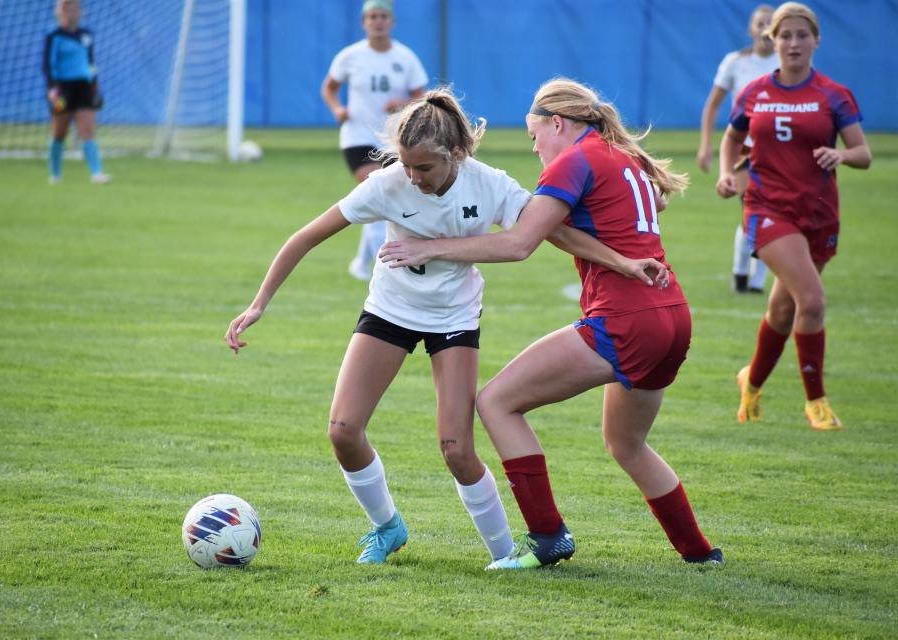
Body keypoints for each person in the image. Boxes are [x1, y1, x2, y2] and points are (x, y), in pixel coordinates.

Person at [225, 88, 665, 567]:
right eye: (406, 166)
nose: (413, 178)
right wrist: (258, 304)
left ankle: (503, 554)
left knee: (456, 448)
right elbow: (305, 237)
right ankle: (387, 527)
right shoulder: (387, 183)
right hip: (390, 310)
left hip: (454, 319)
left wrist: (621, 262)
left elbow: (553, 230)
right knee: (343, 430)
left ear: (456, 153)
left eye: (424, 168)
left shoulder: (489, 184)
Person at [379, 78, 723, 569]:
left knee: (496, 401)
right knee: (626, 443)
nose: (535, 146)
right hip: (671, 315)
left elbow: (520, 243)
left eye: (534, 135)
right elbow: (625, 213)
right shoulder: (624, 157)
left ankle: (547, 535)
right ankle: (699, 553)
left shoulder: (575, 159)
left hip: (625, 318)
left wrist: (427, 247)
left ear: (557, 123)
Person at [716, 2, 871, 431]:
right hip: (767, 210)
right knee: (814, 300)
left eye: (802, 35)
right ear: (773, 41)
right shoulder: (755, 93)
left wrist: (841, 152)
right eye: (785, 35)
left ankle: (751, 382)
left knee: (784, 312)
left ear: (816, 40)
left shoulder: (833, 95)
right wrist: (729, 174)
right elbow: (732, 139)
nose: (793, 43)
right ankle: (816, 401)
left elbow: (864, 154)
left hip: (818, 214)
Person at [321, 0, 429, 281]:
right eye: (372, 16)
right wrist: (337, 109)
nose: (378, 21)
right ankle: (377, 267)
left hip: (394, 142)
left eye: (383, 16)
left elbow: (423, 97)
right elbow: (329, 88)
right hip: (357, 137)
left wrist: (403, 103)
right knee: (378, 192)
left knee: (385, 198)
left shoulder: (405, 58)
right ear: (363, 22)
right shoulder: (350, 56)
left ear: (391, 22)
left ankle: (361, 262)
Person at [697, 4, 777, 294]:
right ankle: (742, 274)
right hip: (746, 150)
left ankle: (755, 281)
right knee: (753, 210)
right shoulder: (736, 62)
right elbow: (713, 105)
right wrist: (706, 145)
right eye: (760, 23)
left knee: (775, 214)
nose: (765, 29)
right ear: (751, 29)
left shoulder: (789, 65)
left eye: (771, 24)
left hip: (780, 154)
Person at [43, 0, 110, 185]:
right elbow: (48, 66)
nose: (73, 12)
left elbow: (90, 63)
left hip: (84, 87)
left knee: (87, 130)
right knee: (59, 132)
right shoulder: (54, 36)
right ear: (60, 12)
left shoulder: (86, 35)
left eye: (76, 8)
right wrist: (53, 90)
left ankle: (97, 173)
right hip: (61, 88)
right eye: (68, 8)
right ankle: (55, 175)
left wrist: (95, 86)